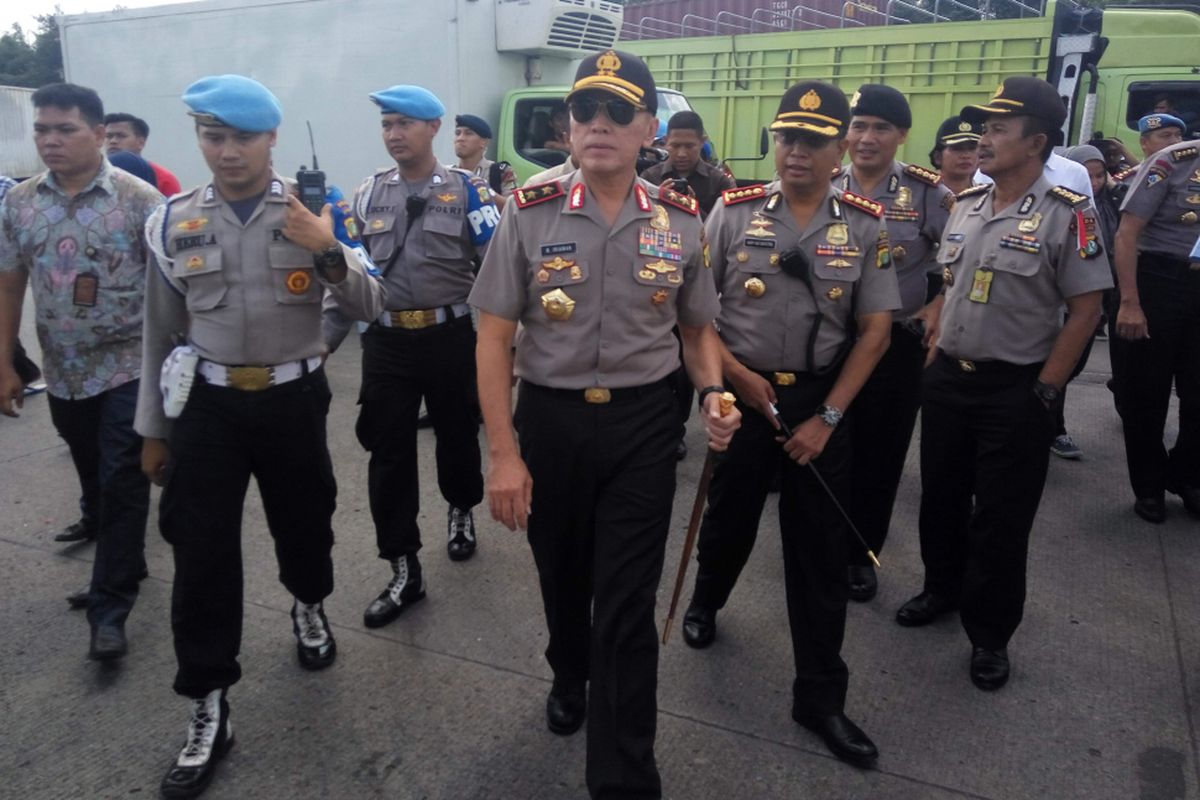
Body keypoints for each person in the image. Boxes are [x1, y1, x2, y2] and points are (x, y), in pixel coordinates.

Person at [470, 50, 740, 799]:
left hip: (645, 427)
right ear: (569, 126)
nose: (599, 125)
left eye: (619, 112)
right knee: (563, 577)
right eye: (587, 111)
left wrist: (715, 394)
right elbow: (493, 336)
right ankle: (567, 669)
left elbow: (696, 333)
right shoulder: (528, 211)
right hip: (551, 423)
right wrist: (503, 452)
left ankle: (623, 778)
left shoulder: (682, 221)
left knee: (625, 603)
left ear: (648, 128)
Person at [135, 74, 384, 798]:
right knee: (201, 553)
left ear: (270, 138)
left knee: (305, 525)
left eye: (242, 136)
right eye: (213, 136)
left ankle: (308, 604)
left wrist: (327, 248)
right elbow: (158, 331)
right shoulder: (172, 220)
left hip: (291, 400)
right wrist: (153, 430)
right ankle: (209, 702)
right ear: (200, 140)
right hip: (206, 408)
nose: (228, 150)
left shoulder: (317, 210)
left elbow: (373, 302)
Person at [679, 80, 897, 768]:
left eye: (813, 140)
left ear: (839, 150)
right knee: (729, 519)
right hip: (743, 399)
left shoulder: (865, 223)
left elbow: (876, 332)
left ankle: (820, 699)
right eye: (786, 138)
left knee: (819, 555)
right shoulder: (733, 212)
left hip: (818, 407)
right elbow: (697, 317)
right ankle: (707, 601)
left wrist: (828, 418)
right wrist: (733, 382)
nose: (795, 151)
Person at [896, 77, 1111, 691]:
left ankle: (989, 635)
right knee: (940, 495)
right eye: (983, 128)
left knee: (1000, 518)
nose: (983, 140)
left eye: (997, 129)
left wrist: (1045, 390)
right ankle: (941, 589)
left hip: (1015, 389)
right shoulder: (965, 206)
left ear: (1036, 141)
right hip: (948, 382)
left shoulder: (1068, 214)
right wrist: (933, 332)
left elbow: (1087, 310)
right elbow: (950, 286)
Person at [326, 84, 498, 629]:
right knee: (388, 454)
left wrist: (507, 345)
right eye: (387, 125)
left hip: (449, 338)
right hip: (386, 342)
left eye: (404, 123)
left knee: (455, 434)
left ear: (433, 128)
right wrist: (317, 349)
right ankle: (403, 567)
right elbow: (349, 277)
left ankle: (461, 509)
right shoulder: (366, 195)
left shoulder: (469, 193)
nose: (394, 134)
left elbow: (495, 268)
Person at [0, 83, 161, 660]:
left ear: (97, 134)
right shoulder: (20, 201)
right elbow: (9, 283)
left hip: (129, 366)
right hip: (64, 369)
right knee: (94, 473)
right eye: (42, 129)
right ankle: (126, 555)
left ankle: (109, 606)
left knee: (122, 476)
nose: (49, 140)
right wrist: (4, 365)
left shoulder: (140, 200)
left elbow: (170, 292)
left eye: (64, 129)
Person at [834, 84, 953, 602]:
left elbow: (963, 260)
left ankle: (861, 553)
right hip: (832, 340)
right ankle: (822, 540)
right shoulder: (822, 180)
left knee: (880, 454)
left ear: (902, 135)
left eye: (880, 127)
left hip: (896, 344)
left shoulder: (928, 193)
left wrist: (938, 306)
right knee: (830, 443)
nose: (866, 138)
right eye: (858, 126)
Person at [1112, 136, 1200, 523]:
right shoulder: (1174, 162)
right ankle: (1149, 486)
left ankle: (1187, 476)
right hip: (1161, 283)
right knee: (1146, 392)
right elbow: (1127, 233)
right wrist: (1130, 302)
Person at [638, 111, 736, 219]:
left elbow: (727, 227)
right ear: (666, 141)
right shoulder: (649, 178)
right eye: (675, 146)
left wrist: (693, 208)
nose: (682, 154)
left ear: (702, 142)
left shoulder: (719, 182)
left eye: (689, 146)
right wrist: (657, 201)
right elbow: (638, 223)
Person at [104, 112, 182, 195]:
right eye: (108, 136)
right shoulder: (92, 173)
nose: (113, 141)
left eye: (121, 136)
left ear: (141, 142)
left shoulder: (163, 179)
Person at [452, 113, 517, 209]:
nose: (460, 138)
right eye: (457, 133)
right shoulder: (449, 173)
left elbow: (513, 206)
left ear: (483, 142)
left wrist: (485, 191)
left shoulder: (500, 171)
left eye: (468, 133)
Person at [930, 115, 982, 196]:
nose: (966, 155)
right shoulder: (923, 194)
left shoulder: (988, 197)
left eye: (972, 148)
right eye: (957, 148)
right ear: (938, 157)